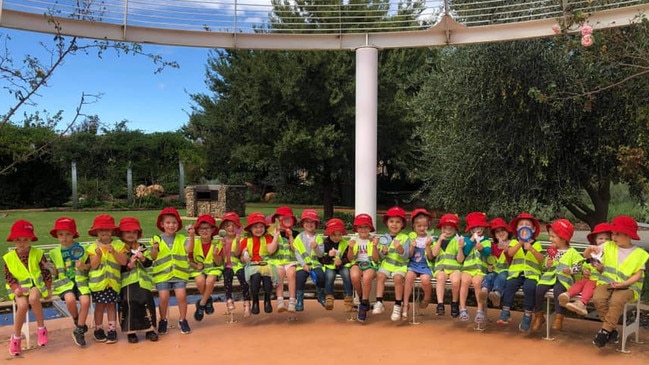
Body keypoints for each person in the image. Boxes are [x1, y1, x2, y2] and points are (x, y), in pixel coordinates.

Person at [589, 216, 649, 347]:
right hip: (607, 283)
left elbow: (638, 275)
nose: (613, 237)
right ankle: (612, 330)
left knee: (616, 301)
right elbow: (590, 254)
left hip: (629, 287)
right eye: (612, 234)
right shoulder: (608, 246)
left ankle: (604, 331)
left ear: (628, 235)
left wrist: (624, 284)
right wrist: (591, 251)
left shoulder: (640, 253)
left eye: (617, 234)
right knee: (598, 299)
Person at [4, 220, 52, 356]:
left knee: (33, 298)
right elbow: (8, 276)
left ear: (31, 239)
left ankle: (41, 328)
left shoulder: (38, 253)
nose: (22, 243)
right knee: (22, 306)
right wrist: (15, 289)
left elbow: (46, 272)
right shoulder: (9, 258)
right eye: (18, 240)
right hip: (18, 289)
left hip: (36, 286)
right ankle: (16, 337)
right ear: (13, 241)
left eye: (25, 239)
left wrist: (48, 289)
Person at [496, 212, 544, 333]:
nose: (524, 227)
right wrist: (520, 243)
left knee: (529, 288)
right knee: (510, 285)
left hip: (531, 274)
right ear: (517, 229)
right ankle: (505, 311)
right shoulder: (513, 242)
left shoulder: (536, 244)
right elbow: (510, 253)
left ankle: (527, 315)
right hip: (516, 273)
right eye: (521, 225)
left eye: (527, 225)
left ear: (533, 229)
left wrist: (531, 249)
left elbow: (541, 259)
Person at [531, 218, 582, 331]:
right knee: (539, 289)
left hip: (563, 279)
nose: (550, 239)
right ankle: (538, 315)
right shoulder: (552, 250)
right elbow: (544, 265)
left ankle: (559, 317)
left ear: (563, 238)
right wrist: (547, 264)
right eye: (550, 236)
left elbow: (579, 266)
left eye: (553, 237)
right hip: (548, 278)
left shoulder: (572, 252)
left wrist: (571, 270)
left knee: (558, 291)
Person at [48, 217, 91, 347]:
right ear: (56, 235)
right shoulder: (54, 253)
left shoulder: (82, 249)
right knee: (70, 299)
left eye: (68, 234)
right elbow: (55, 274)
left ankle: (79, 330)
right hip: (64, 283)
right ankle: (77, 320)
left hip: (81, 281)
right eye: (61, 234)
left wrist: (82, 266)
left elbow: (89, 267)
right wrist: (52, 269)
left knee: (85, 301)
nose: (64, 237)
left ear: (74, 234)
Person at [87, 214, 128, 344]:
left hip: (113, 283)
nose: (104, 232)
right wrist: (98, 256)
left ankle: (112, 330)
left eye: (107, 230)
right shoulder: (92, 247)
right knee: (99, 307)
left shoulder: (119, 244)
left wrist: (114, 252)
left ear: (112, 231)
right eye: (101, 230)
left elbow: (123, 262)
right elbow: (93, 265)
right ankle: (98, 329)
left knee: (111, 307)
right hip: (98, 284)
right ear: (96, 232)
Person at [150, 207, 191, 334]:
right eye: (168, 223)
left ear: (178, 224)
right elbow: (153, 257)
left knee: (181, 296)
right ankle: (163, 319)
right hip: (162, 275)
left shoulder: (181, 238)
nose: (171, 225)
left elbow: (189, 250)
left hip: (179, 274)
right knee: (163, 297)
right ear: (162, 224)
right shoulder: (156, 238)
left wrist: (192, 235)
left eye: (174, 223)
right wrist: (155, 249)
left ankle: (183, 319)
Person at [117, 217, 158, 343]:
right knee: (129, 304)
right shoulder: (118, 247)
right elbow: (117, 265)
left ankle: (149, 329)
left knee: (146, 303)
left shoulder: (141, 247)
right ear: (122, 233)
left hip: (143, 281)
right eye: (128, 232)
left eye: (134, 232)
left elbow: (148, 263)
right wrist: (128, 266)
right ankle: (131, 331)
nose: (131, 235)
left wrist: (143, 259)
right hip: (127, 282)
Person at [558, 223, 611, 316]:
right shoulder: (593, 252)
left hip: (600, 281)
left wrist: (602, 269)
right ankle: (567, 295)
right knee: (580, 283)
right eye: (601, 238)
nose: (604, 241)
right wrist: (584, 270)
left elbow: (611, 270)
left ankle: (582, 303)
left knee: (589, 284)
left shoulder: (610, 254)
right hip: (589, 278)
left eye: (607, 239)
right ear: (595, 240)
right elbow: (586, 261)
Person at [236, 211, 279, 315]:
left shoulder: (267, 238)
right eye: (255, 227)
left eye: (261, 227)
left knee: (267, 279)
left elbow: (271, 250)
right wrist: (244, 257)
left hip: (266, 264)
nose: (259, 229)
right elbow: (240, 256)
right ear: (250, 228)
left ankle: (267, 300)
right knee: (255, 279)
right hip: (252, 265)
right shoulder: (246, 240)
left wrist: (276, 236)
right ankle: (255, 300)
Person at [373, 206, 411, 321]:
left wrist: (400, 248)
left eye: (398, 222)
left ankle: (398, 305)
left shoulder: (405, 238)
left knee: (398, 278)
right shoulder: (384, 237)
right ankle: (379, 301)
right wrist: (383, 252)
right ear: (387, 223)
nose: (394, 224)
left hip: (400, 266)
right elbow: (379, 258)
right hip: (387, 265)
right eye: (391, 221)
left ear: (402, 224)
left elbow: (406, 256)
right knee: (380, 275)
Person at [187, 214, 223, 322]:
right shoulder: (195, 243)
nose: (204, 231)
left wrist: (216, 256)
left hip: (213, 268)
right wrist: (196, 265)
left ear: (212, 230)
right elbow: (190, 260)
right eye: (201, 229)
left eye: (207, 228)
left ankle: (202, 304)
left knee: (210, 279)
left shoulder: (217, 243)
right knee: (200, 280)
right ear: (197, 230)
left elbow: (219, 262)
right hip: (198, 269)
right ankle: (208, 300)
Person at [457, 212, 492, 324]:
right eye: (474, 228)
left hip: (480, 270)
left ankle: (480, 310)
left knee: (477, 283)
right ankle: (462, 308)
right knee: (465, 281)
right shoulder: (467, 240)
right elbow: (465, 252)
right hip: (467, 269)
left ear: (483, 228)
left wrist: (482, 249)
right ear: (471, 230)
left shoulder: (486, 240)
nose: (477, 229)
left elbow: (487, 253)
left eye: (479, 227)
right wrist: (472, 240)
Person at [402, 209, 433, 320]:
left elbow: (430, 257)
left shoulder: (431, 239)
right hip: (413, 265)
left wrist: (428, 246)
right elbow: (409, 255)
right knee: (409, 277)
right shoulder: (410, 238)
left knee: (425, 280)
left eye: (424, 225)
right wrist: (412, 246)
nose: (422, 228)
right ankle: (405, 305)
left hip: (426, 266)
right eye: (419, 226)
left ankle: (427, 297)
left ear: (428, 226)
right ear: (414, 227)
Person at [348, 213, 380, 322]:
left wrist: (375, 246)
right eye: (360, 227)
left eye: (366, 227)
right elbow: (349, 258)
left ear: (370, 228)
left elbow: (376, 259)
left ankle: (364, 303)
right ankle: (362, 297)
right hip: (357, 263)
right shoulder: (354, 239)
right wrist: (351, 248)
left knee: (367, 278)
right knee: (354, 276)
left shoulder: (373, 240)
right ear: (356, 228)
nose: (363, 229)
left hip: (370, 264)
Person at [293, 209, 326, 311]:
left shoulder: (318, 238)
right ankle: (299, 300)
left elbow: (320, 255)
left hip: (315, 264)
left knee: (321, 276)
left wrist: (316, 247)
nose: (309, 224)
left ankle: (320, 295)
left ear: (316, 224)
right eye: (307, 222)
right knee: (300, 277)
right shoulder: (299, 238)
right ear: (303, 224)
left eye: (312, 222)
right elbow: (297, 253)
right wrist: (303, 264)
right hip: (302, 265)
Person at [219, 212, 251, 316]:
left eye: (233, 225)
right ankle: (229, 299)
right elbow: (221, 257)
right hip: (227, 266)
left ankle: (247, 302)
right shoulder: (222, 240)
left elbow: (237, 254)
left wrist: (237, 242)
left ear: (238, 227)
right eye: (228, 226)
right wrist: (222, 246)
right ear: (224, 227)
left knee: (243, 279)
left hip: (237, 265)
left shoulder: (241, 240)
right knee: (227, 278)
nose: (231, 228)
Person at [431, 213, 463, 317]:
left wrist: (460, 248)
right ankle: (440, 304)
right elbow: (434, 254)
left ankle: (454, 303)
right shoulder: (436, 240)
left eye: (451, 228)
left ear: (455, 229)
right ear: (441, 228)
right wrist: (440, 240)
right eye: (445, 228)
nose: (448, 230)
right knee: (440, 278)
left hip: (455, 268)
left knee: (456, 281)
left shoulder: (457, 240)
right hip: (441, 268)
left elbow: (460, 260)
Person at [269, 206, 298, 313]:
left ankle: (292, 301)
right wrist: (276, 236)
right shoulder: (272, 233)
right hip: (277, 261)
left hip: (291, 261)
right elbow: (271, 250)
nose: (282, 221)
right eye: (280, 218)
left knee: (292, 274)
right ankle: (280, 300)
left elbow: (295, 249)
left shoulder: (295, 233)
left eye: (286, 218)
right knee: (279, 273)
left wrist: (290, 236)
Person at [320, 218, 353, 311]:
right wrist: (329, 257)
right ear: (329, 234)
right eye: (333, 234)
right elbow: (321, 259)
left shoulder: (345, 243)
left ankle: (348, 298)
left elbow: (348, 258)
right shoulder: (325, 244)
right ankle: (329, 297)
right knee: (329, 275)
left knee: (346, 274)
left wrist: (342, 261)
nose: (336, 237)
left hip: (342, 266)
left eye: (339, 235)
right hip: (330, 265)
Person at [481, 218, 512, 308]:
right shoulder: (493, 246)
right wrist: (489, 266)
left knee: (502, 276)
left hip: (507, 271)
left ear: (507, 231)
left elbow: (512, 259)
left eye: (502, 230)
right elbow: (490, 259)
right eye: (497, 232)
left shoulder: (512, 244)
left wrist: (506, 250)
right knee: (489, 276)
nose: (500, 233)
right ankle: (484, 290)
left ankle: (497, 294)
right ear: (494, 235)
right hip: (495, 270)